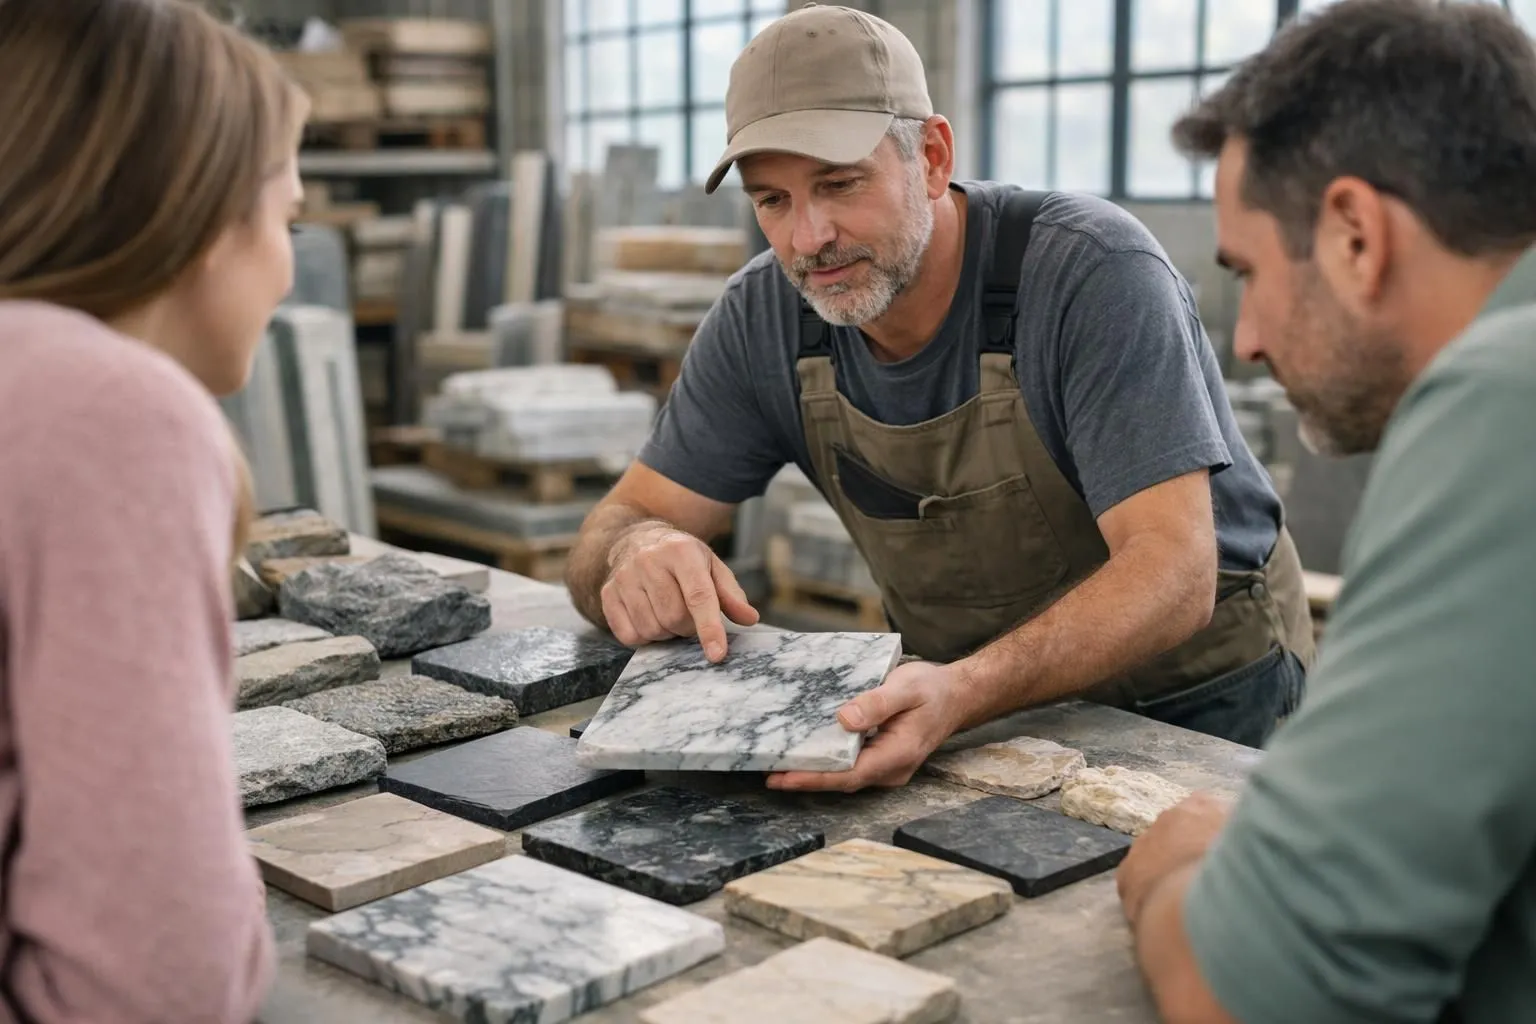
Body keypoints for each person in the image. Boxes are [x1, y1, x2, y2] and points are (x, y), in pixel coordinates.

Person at [565, 2, 1315, 789]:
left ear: (930, 156)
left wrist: (964, 689)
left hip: (1199, 703)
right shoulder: (764, 319)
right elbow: (606, 530)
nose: (807, 237)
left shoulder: (1090, 274)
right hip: (968, 714)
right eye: (772, 200)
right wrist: (635, 549)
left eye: (840, 183)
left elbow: (1173, 576)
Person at [1114, 2, 1536, 1022]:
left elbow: (1260, 990)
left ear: (1354, 233)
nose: (1247, 338)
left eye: (1249, 274)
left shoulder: (1503, 398)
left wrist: (1174, 877)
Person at [0, 0, 307, 1018]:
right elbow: (156, 982)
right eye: (287, 218)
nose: (287, 265)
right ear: (203, 221)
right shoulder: (104, 410)